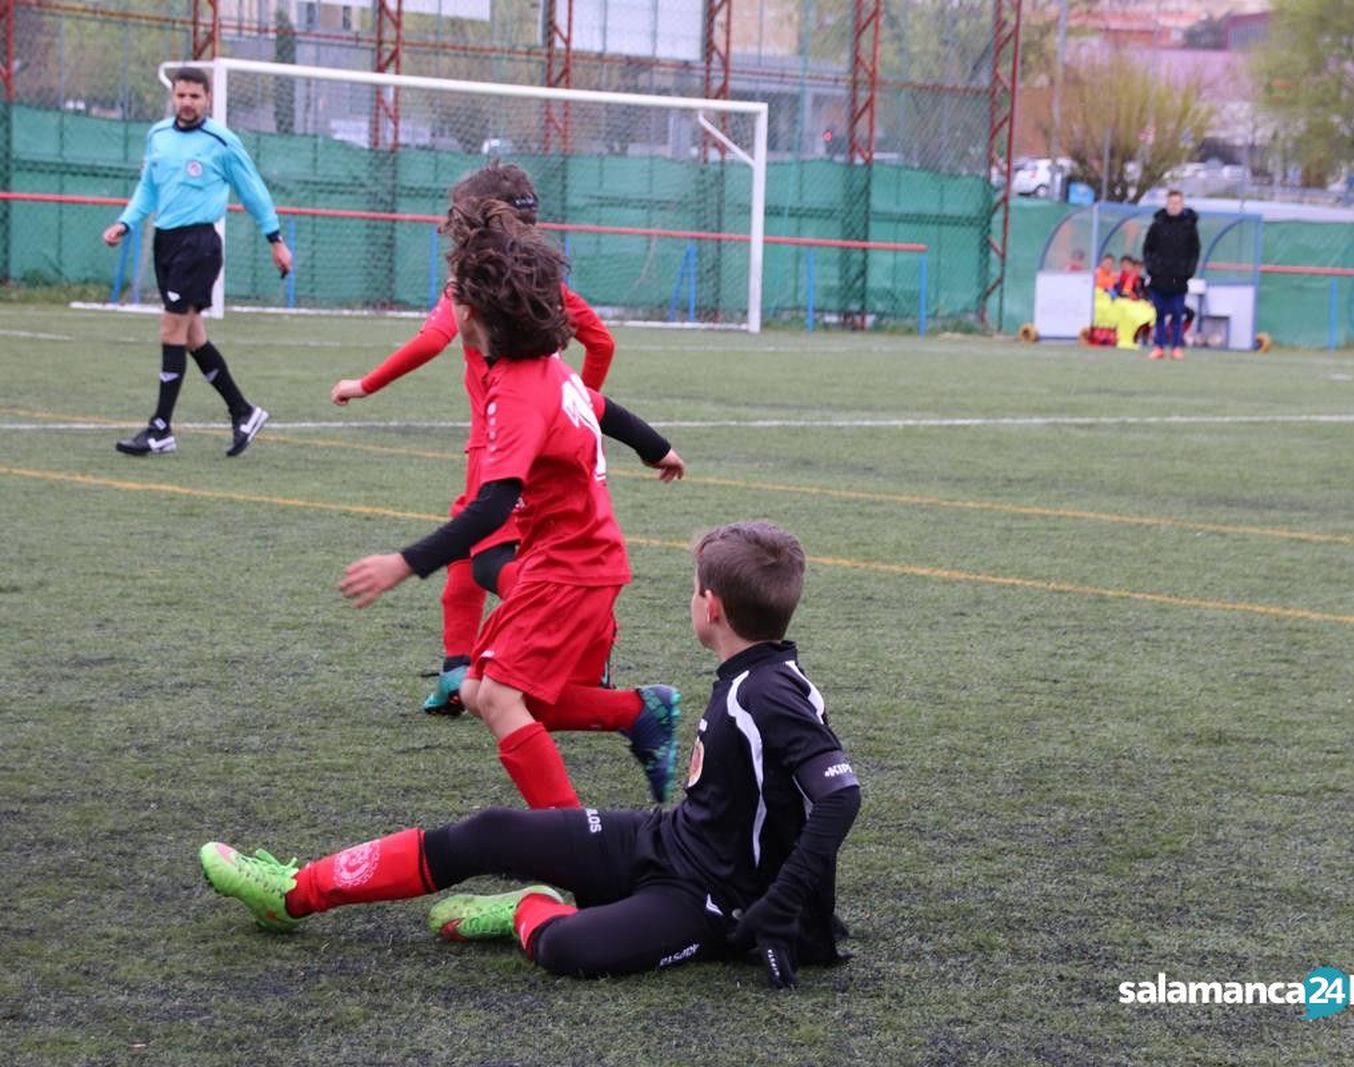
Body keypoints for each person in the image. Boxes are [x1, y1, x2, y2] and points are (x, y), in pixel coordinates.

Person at [199, 520, 860, 990]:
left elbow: (839, 794)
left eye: (692, 590)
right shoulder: (753, 674)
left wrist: (782, 903)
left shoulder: (768, 691)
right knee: (491, 830)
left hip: (713, 899)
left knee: (568, 947)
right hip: (668, 841)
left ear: (710, 607)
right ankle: (293, 892)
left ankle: (526, 906)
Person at [338, 198, 682, 808]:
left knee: (498, 697)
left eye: (455, 293)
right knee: (477, 692)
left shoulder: (519, 390)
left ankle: (572, 838)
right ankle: (636, 711)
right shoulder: (549, 369)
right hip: (567, 562)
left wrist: (404, 562)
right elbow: (607, 411)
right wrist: (659, 450)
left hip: (572, 568)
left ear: (471, 312)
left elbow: (494, 506)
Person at [331, 160, 623, 715]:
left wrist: (364, 384)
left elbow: (431, 339)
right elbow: (602, 343)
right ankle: (455, 672)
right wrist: (575, 405)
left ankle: (585, 636)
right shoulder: (545, 284)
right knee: (467, 561)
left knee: (489, 561)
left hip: (499, 447)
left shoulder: (476, 284)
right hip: (536, 442)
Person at [102, 66, 291, 458]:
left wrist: (275, 239)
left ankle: (160, 428)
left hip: (199, 244)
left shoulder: (221, 142)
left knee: (171, 329)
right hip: (166, 242)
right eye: (181, 95)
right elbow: (147, 188)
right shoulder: (158, 136)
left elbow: (252, 190)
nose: (187, 102)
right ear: (173, 96)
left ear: (208, 98)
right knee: (192, 338)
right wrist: (126, 222)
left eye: (195, 96)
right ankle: (243, 411)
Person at [1141, 189, 1200, 361]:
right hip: (1159, 278)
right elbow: (1147, 249)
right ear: (1167, 204)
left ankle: (1176, 347)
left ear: (1182, 205)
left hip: (1179, 279)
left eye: (1177, 203)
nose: (1174, 206)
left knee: (1177, 313)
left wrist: (1187, 272)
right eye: (1171, 203)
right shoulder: (1157, 225)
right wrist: (1152, 268)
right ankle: (1158, 347)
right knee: (1159, 313)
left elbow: (1194, 252)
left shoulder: (1189, 227)